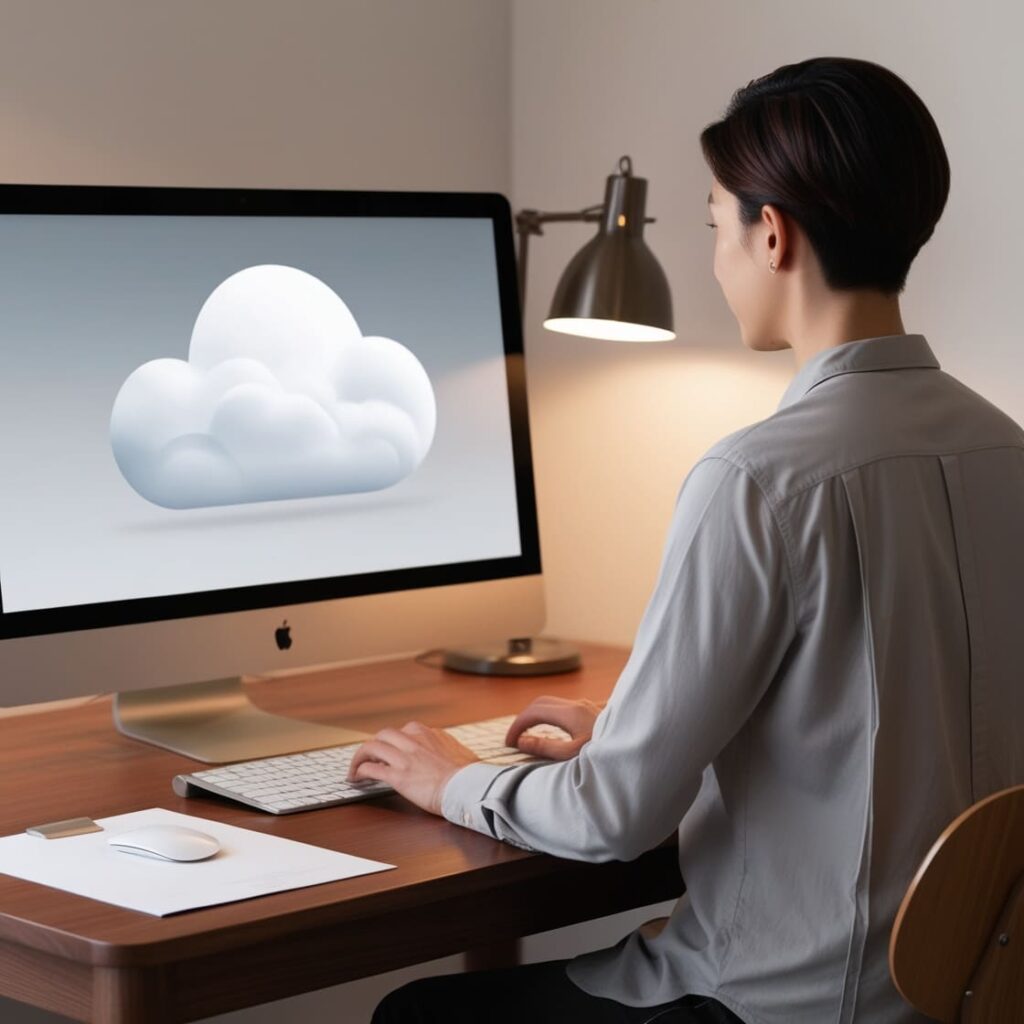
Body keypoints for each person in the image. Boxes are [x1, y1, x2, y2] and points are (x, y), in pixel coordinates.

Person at [350, 55, 1024, 1023]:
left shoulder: (756, 479)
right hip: (947, 1000)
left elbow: (612, 817)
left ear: (772, 234)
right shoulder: (1006, 452)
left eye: (715, 226)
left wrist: (449, 778)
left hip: (770, 1003)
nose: (716, 259)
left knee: (418, 1012)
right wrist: (638, 737)